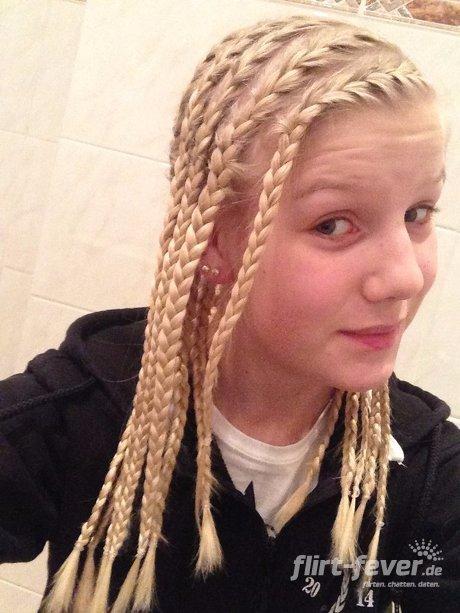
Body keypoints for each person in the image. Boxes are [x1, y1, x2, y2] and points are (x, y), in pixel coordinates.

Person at [0, 14, 458, 613]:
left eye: (418, 214)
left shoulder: (427, 474)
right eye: (334, 225)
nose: (405, 277)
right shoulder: (79, 413)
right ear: (214, 239)